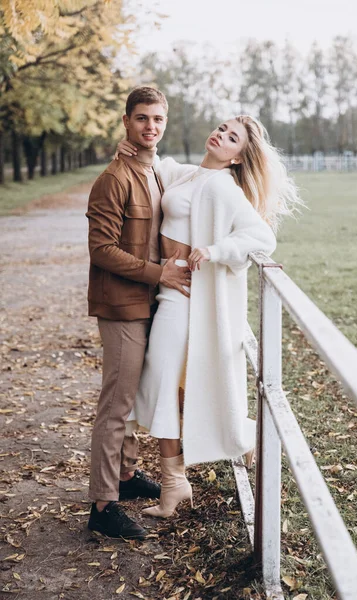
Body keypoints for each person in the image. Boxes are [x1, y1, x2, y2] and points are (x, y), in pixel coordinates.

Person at [114, 114, 301, 518]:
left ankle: (178, 479)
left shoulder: (223, 188)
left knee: (161, 380)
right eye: (221, 128)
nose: (220, 135)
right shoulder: (191, 173)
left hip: (185, 298)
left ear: (238, 157)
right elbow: (159, 166)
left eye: (232, 137)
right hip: (166, 289)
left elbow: (261, 236)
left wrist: (215, 251)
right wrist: (131, 150)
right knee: (163, 384)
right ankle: (184, 474)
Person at [86, 87, 192, 540]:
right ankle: (103, 505)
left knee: (132, 400)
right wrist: (159, 274)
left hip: (150, 303)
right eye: (142, 118)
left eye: (158, 119)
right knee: (116, 405)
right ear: (126, 121)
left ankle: (126, 478)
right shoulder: (114, 178)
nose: (150, 126)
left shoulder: (156, 172)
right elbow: (101, 249)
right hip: (122, 305)